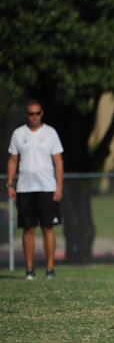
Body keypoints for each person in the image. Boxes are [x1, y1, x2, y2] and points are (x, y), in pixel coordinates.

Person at [6, 100, 64, 280]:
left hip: (47, 187)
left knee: (48, 227)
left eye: (37, 113)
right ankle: (30, 269)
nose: (34, 117)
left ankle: (50, 269)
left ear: (42, 113)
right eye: (31, 114)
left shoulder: (50, 133)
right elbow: (13, 160)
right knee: (28, 229)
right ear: (27, 115)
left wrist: (59, 187)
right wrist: (10, 184)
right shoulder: (18, 134)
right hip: (25, 188)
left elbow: (58, 161)